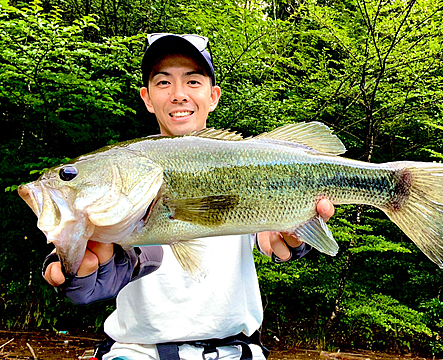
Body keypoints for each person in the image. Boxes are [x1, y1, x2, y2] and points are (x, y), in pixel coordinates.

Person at [43, 33, 335, 360]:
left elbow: (272, 241)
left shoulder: (245, 159)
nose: (179, 94)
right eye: (164, 82)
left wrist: (293, 238)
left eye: (193, 81)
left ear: (213, 96)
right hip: (137, 353)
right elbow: (111, 272)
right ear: (147, 97)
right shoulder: (127, 176)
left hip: (236, 352)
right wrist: (78, 273)